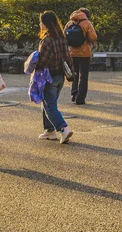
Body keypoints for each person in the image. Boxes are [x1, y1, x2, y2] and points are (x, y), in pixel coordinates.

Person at [36, 11, 74, 144]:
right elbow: (68, 57)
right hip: (60, 77)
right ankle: (49, 130)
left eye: (41, 22)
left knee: (50, 106)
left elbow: (43, 62)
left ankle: (63, 128)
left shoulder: (47, 40)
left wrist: (33, 64)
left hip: (49, 77)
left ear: (46, 24)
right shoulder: (61, 37)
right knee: (48, 103)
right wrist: (71, 74)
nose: (40, 24)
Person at [64, 8, 97, 105]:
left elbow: (64, 36)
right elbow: (93, 37)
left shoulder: (70, 23)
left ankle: (74, 94)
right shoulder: (87, 23)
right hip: (84, 53)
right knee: (83, 76)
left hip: (72, 53)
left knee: (74, 73)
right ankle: (80, 98)